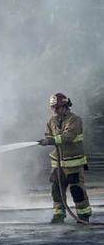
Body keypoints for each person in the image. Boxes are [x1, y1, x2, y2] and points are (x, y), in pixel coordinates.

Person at [40, 92, 91, 222]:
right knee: (56, 191)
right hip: (57, 164)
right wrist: (47, 140)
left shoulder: (75, 119)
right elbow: (49, 135)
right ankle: (58, 215)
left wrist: (51, 141)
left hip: (73, 163)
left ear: (65, 106)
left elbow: (69, 136)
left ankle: (83, 216)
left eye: (57, 107)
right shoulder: (52, 121)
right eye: (53, 107)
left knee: (77, 191)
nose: (54, 110)